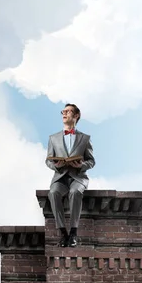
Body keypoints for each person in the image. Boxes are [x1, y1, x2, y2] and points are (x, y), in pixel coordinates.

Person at [45, 103, 95, 247]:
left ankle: (73, 232)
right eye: (63, 111)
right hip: (60, 177)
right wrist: (55, 165)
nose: (64, 114)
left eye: (68, 111)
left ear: (76, 115)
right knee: (53, 193)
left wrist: (81, 165)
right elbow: (48, 160)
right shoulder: (53, 138)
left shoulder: (85, 138)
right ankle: (62, 232)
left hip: (78, 177)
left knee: (75, 192)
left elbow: (91, 161)